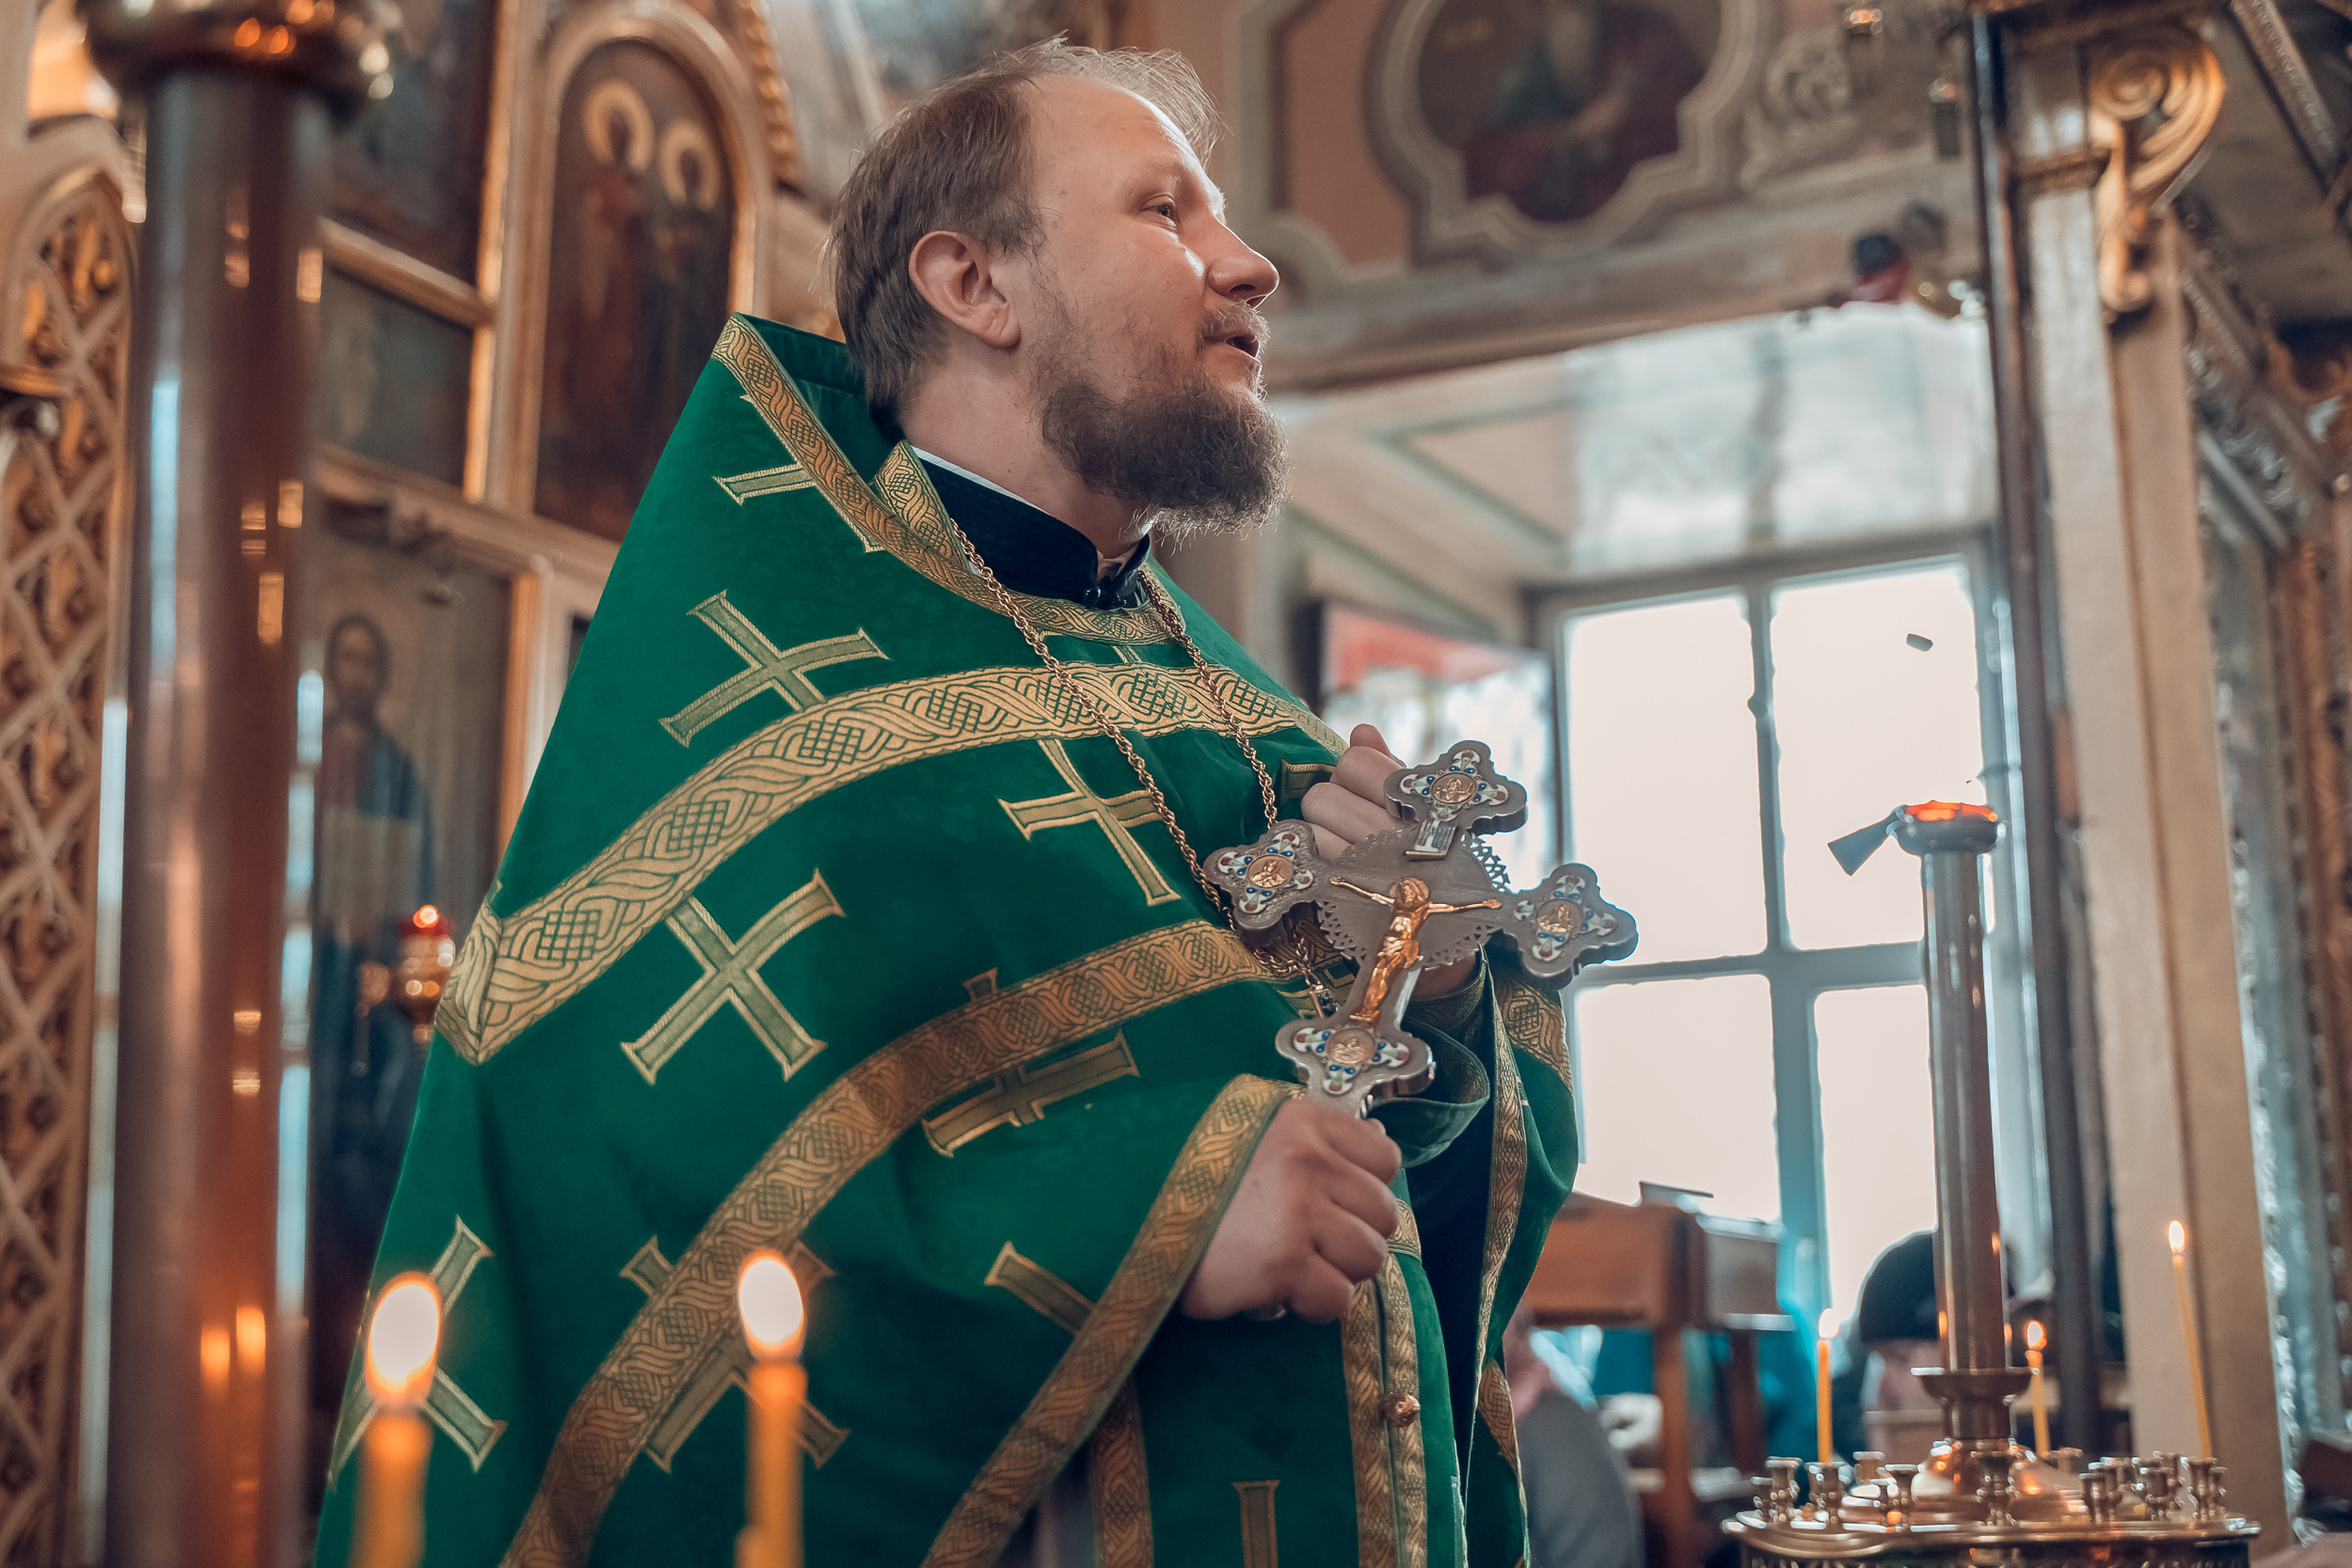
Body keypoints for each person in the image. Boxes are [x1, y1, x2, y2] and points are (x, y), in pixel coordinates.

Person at [313, 40, 1580, 1568]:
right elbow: (628, 1224)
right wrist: (1152, 1211)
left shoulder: (1248, 725)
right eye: (1166, 210)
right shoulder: (777, 705)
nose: (1249, 264)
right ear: (974, 282)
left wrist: (1430, 989)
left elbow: (1399, 1200)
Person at [307, 611, 436, 1465]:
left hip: (373, 985)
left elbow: (417, 879)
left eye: (367, 659)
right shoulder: (306, 749)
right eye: (344, 657)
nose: (355, 672)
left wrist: (388, 942)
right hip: (308, 975)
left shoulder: (399, 768)